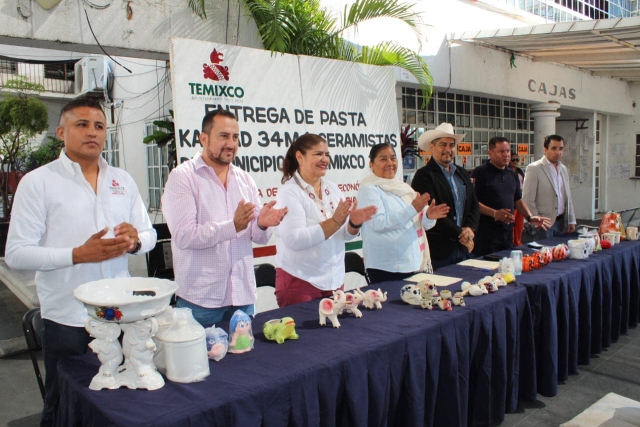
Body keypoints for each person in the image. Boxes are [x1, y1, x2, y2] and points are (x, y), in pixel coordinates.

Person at [5, 97, 157, 427]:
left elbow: (149, 235)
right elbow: (16, 254)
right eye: (82, 124)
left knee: (118, 403)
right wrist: (77, 255)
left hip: (119, 313)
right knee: (63, 406)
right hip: (68, 319)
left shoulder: (122, 180)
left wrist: (134, 241)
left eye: (99, 126)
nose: (92, 132)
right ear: (61, 132)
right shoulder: (38, 182)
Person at [161, 109, 287, 327]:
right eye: (223, 136)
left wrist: (262, 224)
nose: (230, 143)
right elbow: (183, 235)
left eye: (235, 137)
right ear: (204, 138)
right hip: (200, 302)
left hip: (242, 298)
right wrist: (233, 226)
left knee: (248, 361)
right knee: (199, 362)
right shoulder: (183, 177)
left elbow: (259, 237)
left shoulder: (244, 179)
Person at [274, 134, 376, 307]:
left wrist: (353, 223)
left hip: (334, 279)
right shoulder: (288, 192)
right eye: (318, 154)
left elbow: (344, 235)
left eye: (327, 154)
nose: (325, 159)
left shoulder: (333, 189)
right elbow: (295, 239)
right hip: (300, 279)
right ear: (300, 157)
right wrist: (335, 221)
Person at [357, 143, 450, 284]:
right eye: (383, 159)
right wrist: (413, 209)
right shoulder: (369, 189)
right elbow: (379, 223)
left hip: (412, 262)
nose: (390, 163)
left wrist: (429, 215)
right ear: (371, 164)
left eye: (393, 158)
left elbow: (419, 223)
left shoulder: (403, 188)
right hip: (387, 267)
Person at [410, 123, 480, 270]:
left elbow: (474, 203)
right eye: (443, 144)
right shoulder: (424, 176)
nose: (448, 149)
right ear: (432, 147)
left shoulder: (462, 173)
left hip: (465, 248)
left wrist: (470, 229)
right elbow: (432, 212)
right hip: (440, 253)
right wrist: (461, 234)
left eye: (451, 145)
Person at [472, 137, 550, 256]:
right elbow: (473, 202)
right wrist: (494, 213)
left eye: (508, 151)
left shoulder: (512, 174)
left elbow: (518, 200)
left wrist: (530, 217)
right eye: (501, 152)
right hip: (486, 234)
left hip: (508, 233)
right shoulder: (480, 172)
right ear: (490, 153)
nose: (506, 155)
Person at [522, 134, 576, 240]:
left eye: (561, 149)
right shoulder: (534, 168)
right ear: (545, 149)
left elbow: (568, 197)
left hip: (562, 222)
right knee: (544, 254)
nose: (558, 152)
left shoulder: (563, 169)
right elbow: (527, 199)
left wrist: (571, 220)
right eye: (554, 148)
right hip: (544, 224)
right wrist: (536, 222)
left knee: (561, 253)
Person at [510, 154, 526, 246]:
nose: (515, 162)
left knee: (519, 225)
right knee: (512, 224)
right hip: (512, 202)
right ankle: (512, 242)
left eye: (517, 160)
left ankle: (518, 242)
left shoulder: (520, 172)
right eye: (513, 160)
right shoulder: (508, 172)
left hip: (520, 198)